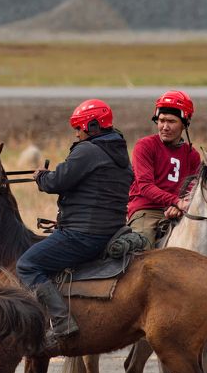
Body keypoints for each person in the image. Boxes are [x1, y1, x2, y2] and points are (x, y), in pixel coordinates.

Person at [16, 99, 134, 346]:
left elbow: (56, 182)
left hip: (83, 235)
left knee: (27, 264)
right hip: (112, 232)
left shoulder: (88, 151)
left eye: (79, 128)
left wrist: (41, 177)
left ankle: (61, 321)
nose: (77, 134)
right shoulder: (120, 153)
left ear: (92, 126)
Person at [126, 90, 207, 263]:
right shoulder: (145, 146)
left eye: (171, 121)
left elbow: (191, 191)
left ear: (185, 124)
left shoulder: (192, 155)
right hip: (146, 211)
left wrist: (180, 206)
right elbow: (145, 186)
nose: (165, 127)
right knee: (140, 252)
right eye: (161, 120)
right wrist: (176, 201)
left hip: (180, 212)